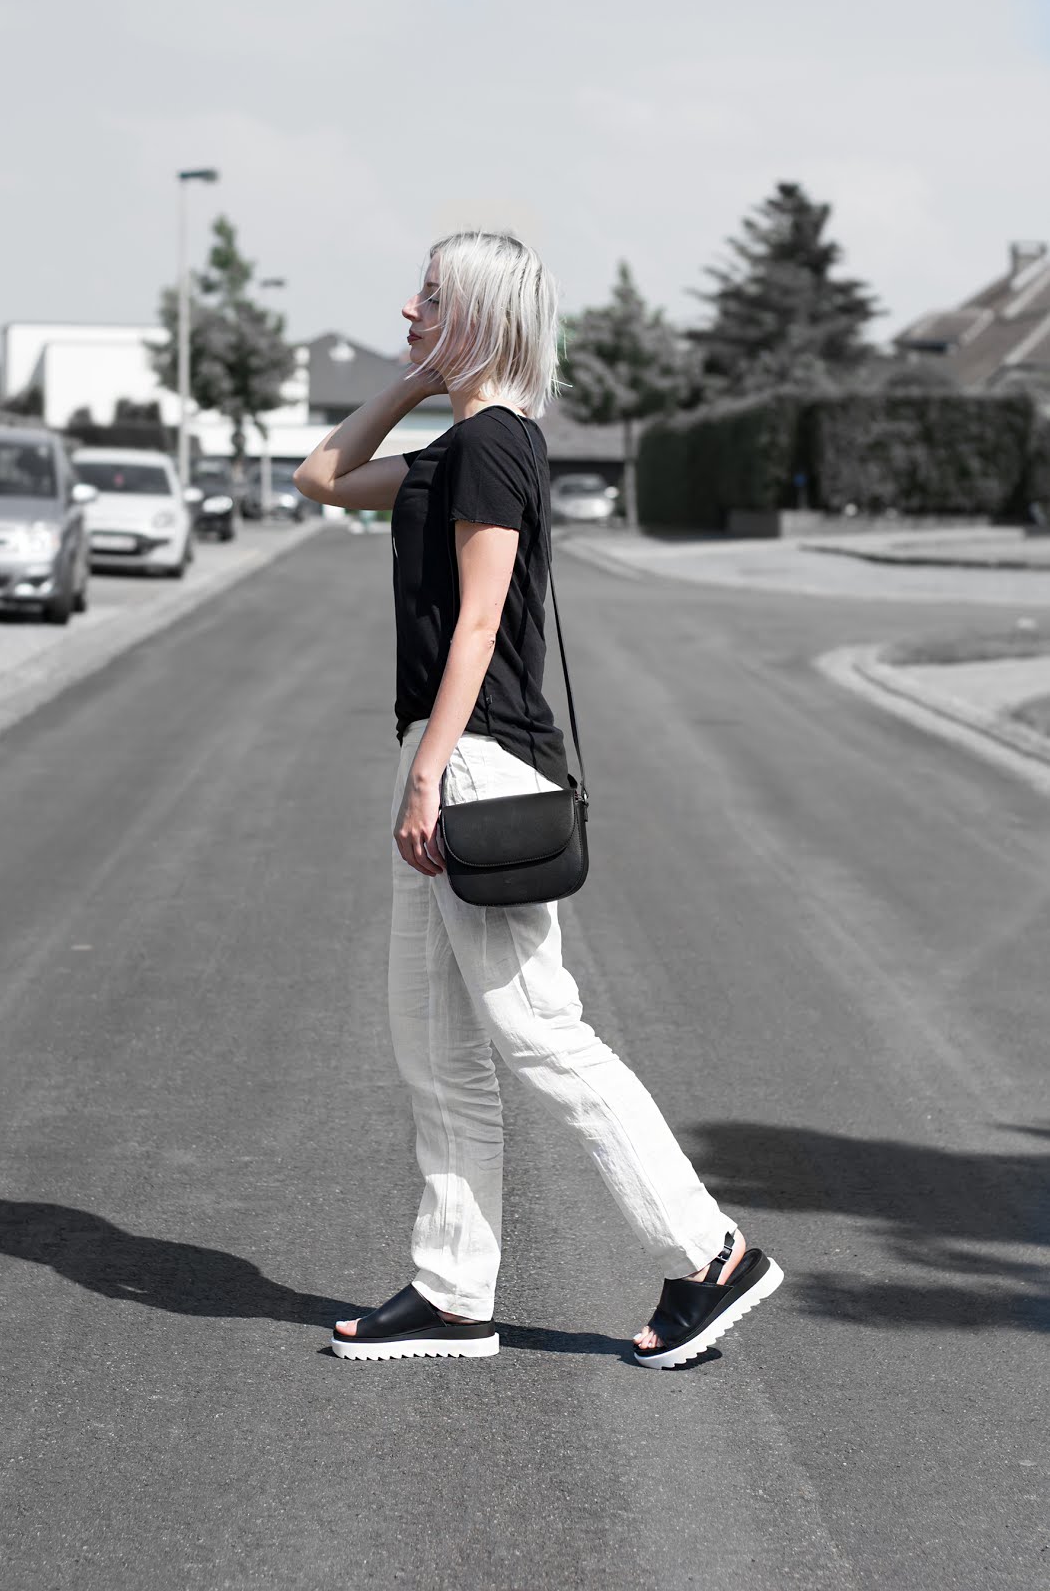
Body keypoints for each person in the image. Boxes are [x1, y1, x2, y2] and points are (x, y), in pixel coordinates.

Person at [293, 231, 783, 1369]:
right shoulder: (452, 446)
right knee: (433, 1042)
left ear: (471, 312)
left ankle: (709, 1252)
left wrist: (427, 769)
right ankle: (453, 1289)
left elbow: (477, 619)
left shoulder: (498, 444)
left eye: (427, 297)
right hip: (448, 749)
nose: (404, 306)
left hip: (478, 762)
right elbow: (320, 478)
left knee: (536, 1031)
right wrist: (415, 380)